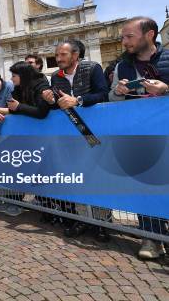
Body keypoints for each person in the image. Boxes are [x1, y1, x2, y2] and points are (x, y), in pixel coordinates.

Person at [107, 17, 169, 259]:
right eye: (123, 37)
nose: (124, 42)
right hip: (141, 135)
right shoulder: (122, 67)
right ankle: (152, 237)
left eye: (129, 37)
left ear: (150, 35)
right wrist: (119, 92)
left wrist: (165, 90)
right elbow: (111, 98)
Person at [41, 40, 109, 241]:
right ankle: (82, 219)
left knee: (97, 178)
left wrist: (78, 100)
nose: (58, 58)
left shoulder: (93, 68)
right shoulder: (55, 76)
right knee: (77, 178)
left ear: (75, 54)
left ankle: (102, 222)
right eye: (57, 55)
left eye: (62, 54)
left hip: (94, 133)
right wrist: (50, 101)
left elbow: (103, 94)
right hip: (70, 136)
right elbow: (57, 106)